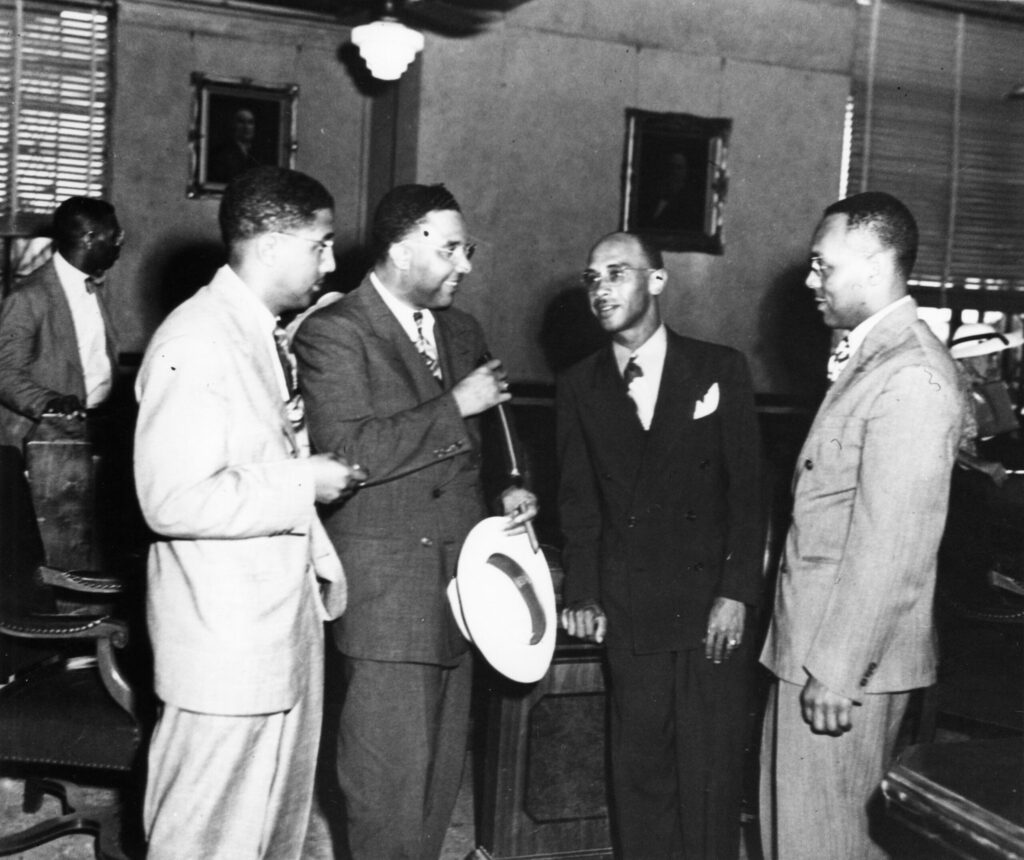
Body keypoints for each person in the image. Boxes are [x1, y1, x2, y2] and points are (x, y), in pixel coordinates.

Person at [293, 182, 538, 860]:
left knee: (436, 788)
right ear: (403, 247)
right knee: (386, 790)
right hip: (387, 592)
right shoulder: (334, 332)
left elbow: (499, 443)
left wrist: (512, 487)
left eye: (469, 249)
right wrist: (455, 405)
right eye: (453, 249)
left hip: (465, 590)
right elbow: (347, 453)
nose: (466, 264)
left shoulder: (462, 329)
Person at [134, 166, 365, 860]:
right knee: (203, 840)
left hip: (275, 636)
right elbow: (171, 499)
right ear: (268, 246)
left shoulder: (259, 332)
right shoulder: (196, 340)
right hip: (223, 649)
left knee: (271, 837)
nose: (329, 262)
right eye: (320, 245)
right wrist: (306, 482)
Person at [758, 191, 967, 860]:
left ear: (876, 263)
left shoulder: (910, 374)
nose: (811, 281)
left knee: (821, 845)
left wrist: (839, 671)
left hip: (842, 663)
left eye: (823, 266)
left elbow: (893, 544)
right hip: (812, 644)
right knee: (794, 837)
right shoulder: (872, 357)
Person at [557, 231, 765, 859]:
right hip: (630, 607)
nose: (600, 290)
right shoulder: (577, 383)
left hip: (710, 610)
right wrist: (584, 591)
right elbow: (579, 504)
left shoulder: (719, 368)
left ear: (656, 281)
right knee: (639, 776)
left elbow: (749, 496)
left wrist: (735, 592)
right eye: (591, 278)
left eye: (616, 273)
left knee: (709, 777)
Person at [0, 196, 122, 450]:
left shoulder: (92, 287)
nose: (118, 245)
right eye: (112, 237)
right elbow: (5, 375)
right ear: (89, 238)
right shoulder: (27, 297)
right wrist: (51, 402)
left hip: (94, 429)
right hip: (43, 441)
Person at [209, 107, 262, 183]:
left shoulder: (259, 154)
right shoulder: (221, 153)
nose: (246, 127)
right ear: (233, 125)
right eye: (241, 122)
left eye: (250, 122)